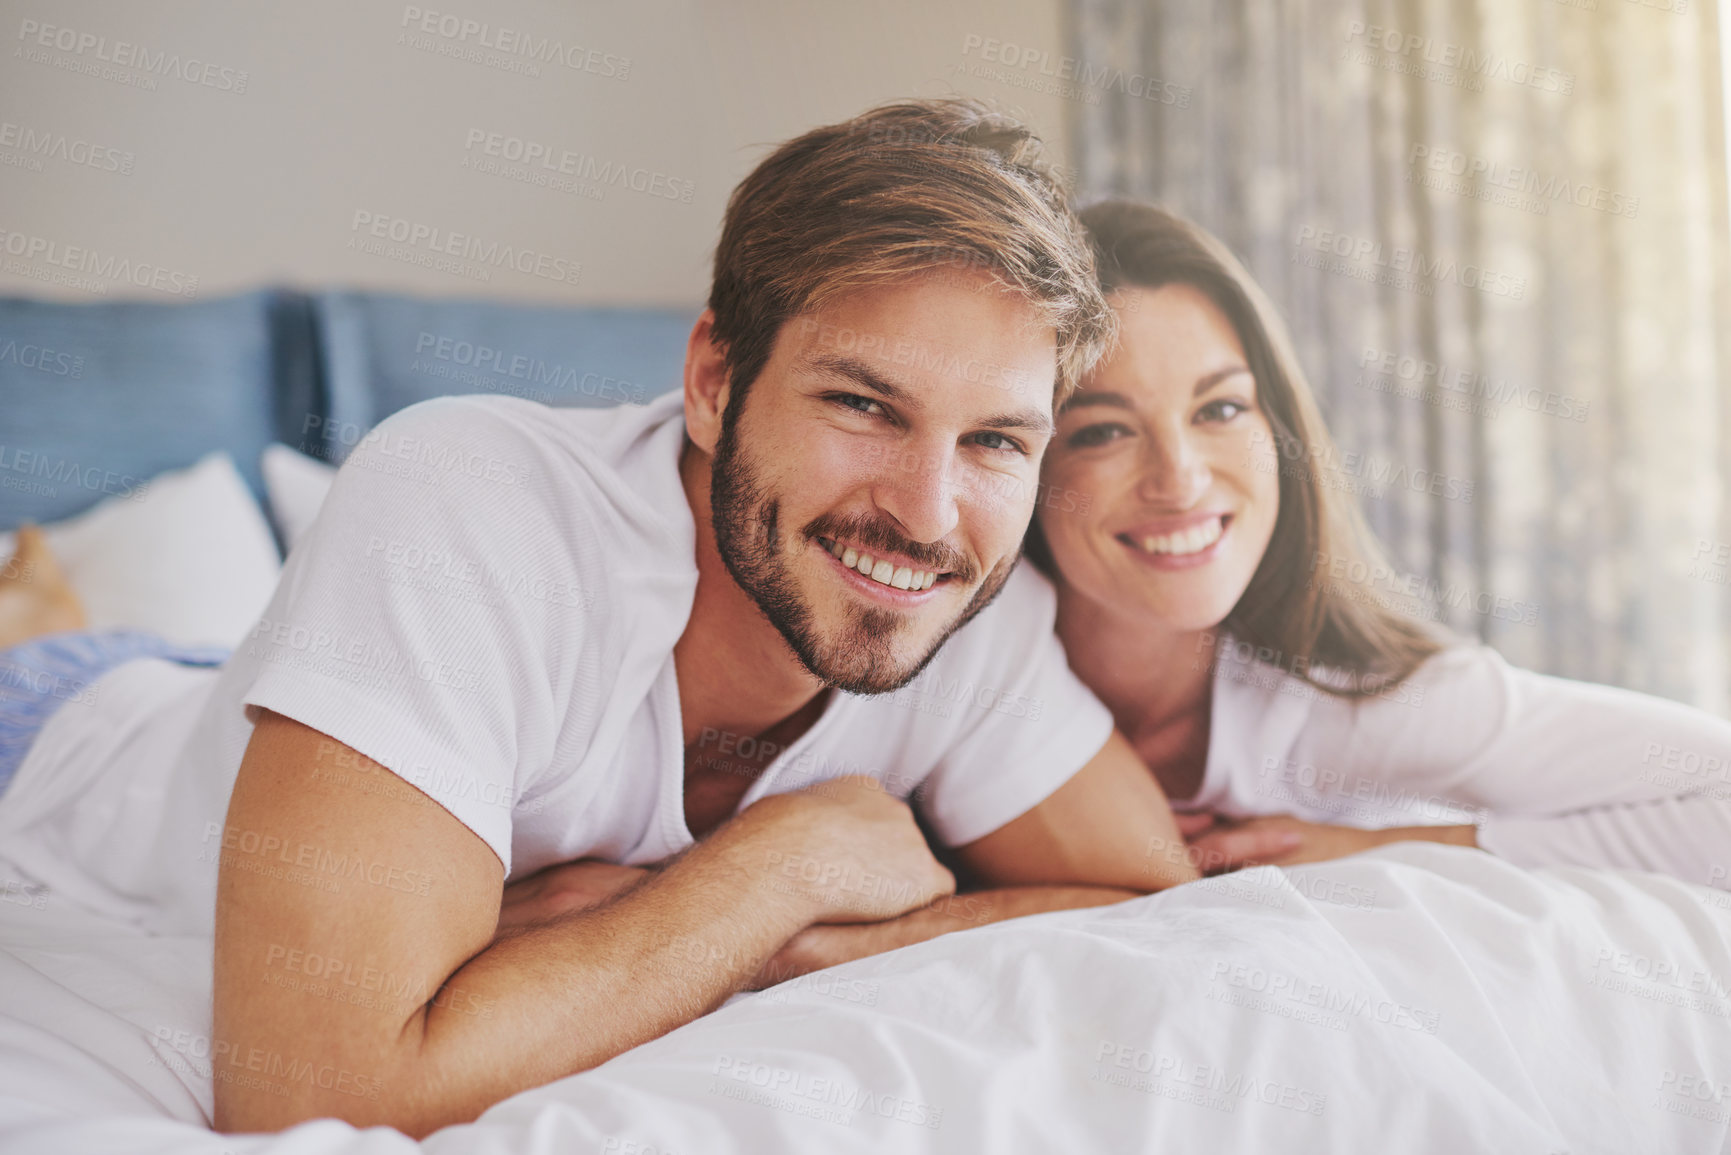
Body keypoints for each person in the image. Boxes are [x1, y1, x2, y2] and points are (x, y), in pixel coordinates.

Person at [0, 103, 1204, 1139]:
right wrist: (776, 872)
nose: (928, 513)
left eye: (995, 440)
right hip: (67, 732)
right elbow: (315, 1101)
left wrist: (798, 947)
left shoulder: (968, 599)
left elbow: (1157, 899)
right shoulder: (460, 503)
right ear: (713, 383)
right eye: (862, 403)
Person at [1030, 198, 1731, 886]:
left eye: (1220, 408)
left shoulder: (1361, 702)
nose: (1179, 480)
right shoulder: (971, 680)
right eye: (1102, 430)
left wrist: (1386, 844)